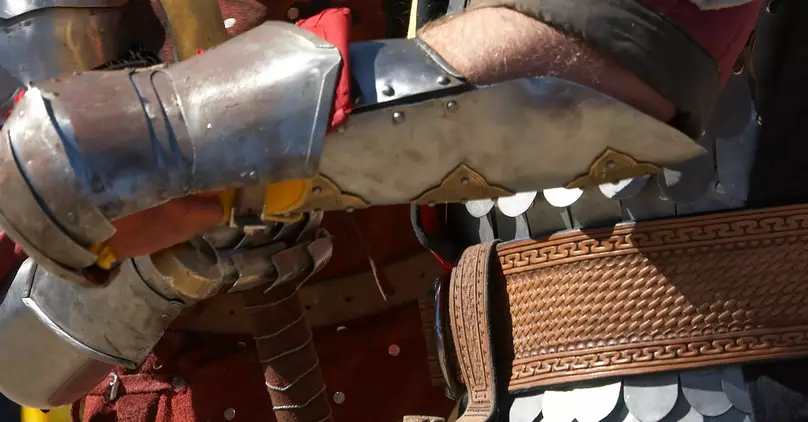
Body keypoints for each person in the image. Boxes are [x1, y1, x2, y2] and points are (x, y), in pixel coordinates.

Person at [0, 0, 774, 421]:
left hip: (702, 366)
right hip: (487, 384)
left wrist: (189, 135)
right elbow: (22, 356)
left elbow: (623, 48)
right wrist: (163, 259)